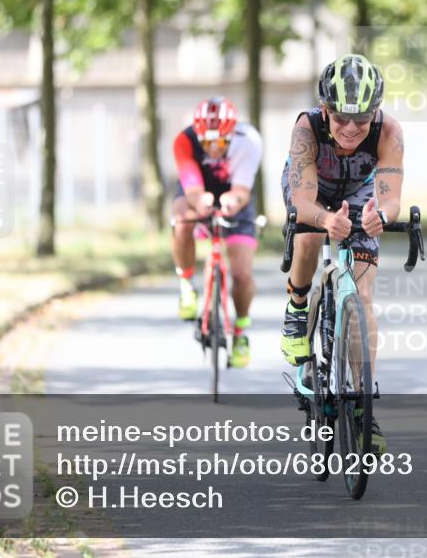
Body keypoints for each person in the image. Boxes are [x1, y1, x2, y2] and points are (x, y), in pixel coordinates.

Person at [279, 53, 404, 455]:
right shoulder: (306, 129)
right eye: (341, 119)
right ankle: (298, 307)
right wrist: (325, 219)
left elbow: (391, 199)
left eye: (362, 120)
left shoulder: (389, 132)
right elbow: (301, 199)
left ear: (376, 114)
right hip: (313, 190)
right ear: (324, 109)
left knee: (363, 298)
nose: (351, 129)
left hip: (359, 193)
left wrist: (379, 217)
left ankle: (362, 408)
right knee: (311, 237)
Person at [171, 97, 263, 369]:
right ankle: (186, 284)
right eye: (206, 142)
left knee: (242, 273)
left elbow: (242, 192)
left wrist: (232, 202)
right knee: (181, 221)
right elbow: (191, 188)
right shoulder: (184, 141)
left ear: (231, 134)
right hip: (199, 191)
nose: (212, 148)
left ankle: (241, 332)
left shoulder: (249, 140)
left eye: (220, 142)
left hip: (235, 195)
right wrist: (200, 202)